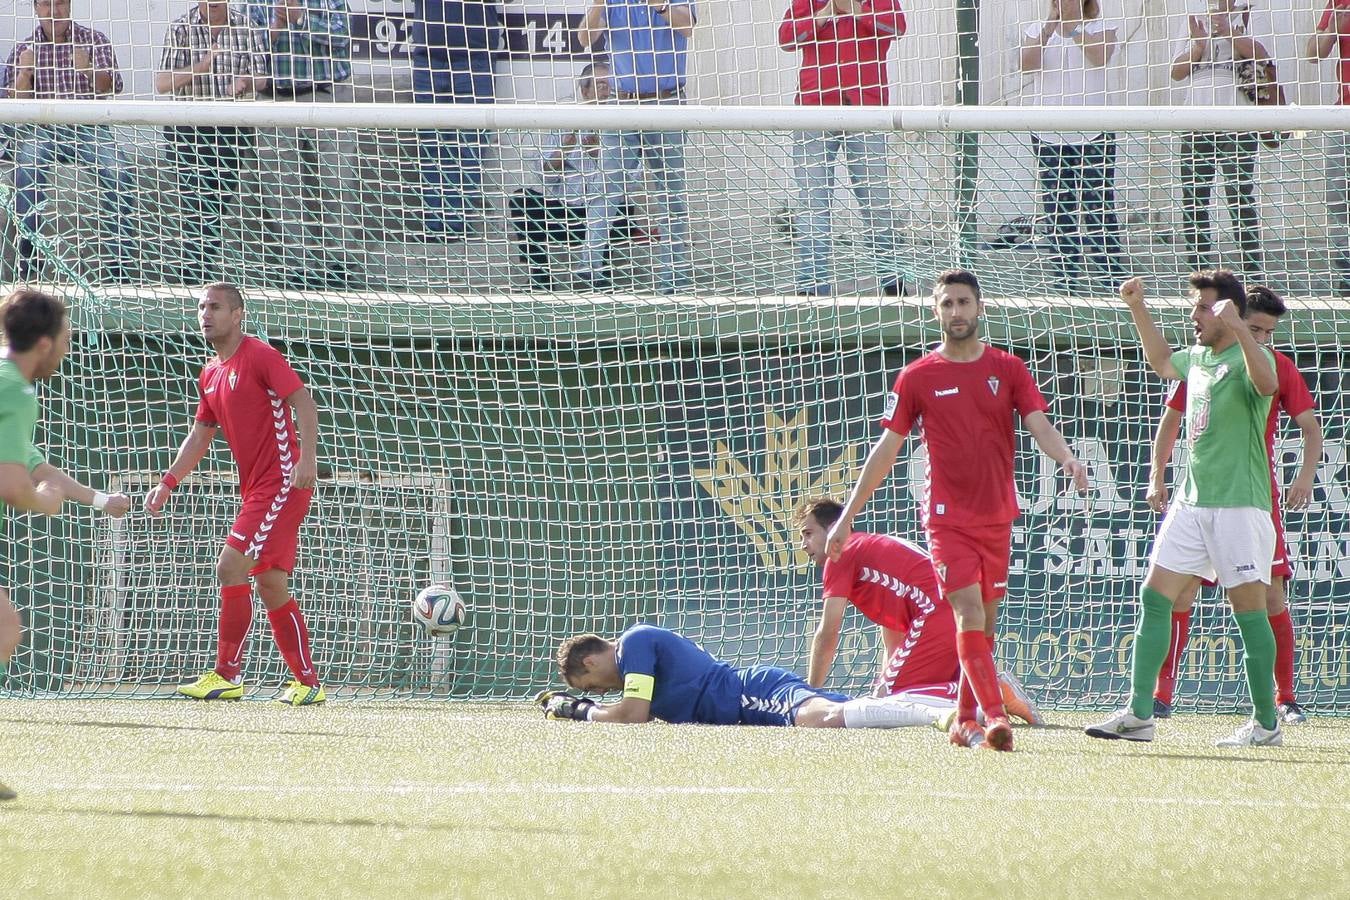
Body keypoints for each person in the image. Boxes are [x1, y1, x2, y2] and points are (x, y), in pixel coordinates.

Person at [824, 269, 1087, 751]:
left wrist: (1066, 456)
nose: (957, 312)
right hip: (946, 521)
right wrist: (846, 518)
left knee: (985, 627)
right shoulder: (918, 377)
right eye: (947, 304)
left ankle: (964, 718)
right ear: (935, 310)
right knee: (966, 613)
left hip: (997, 516)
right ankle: (991, 718)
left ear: (980, 307)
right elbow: (886, 450)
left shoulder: (1007, 369)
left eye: (964, 302)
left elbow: (1038, 423)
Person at [1087, 271, 1282, 747]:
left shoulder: (1251, 355)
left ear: (1225, 311)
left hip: (1240, 506)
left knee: (1249, 614)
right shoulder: (1197, 357)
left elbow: (1268, 382)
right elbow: (1159, 362)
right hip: (1191, 504)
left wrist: (1239, 327)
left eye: (1201, 308)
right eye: (1194, 307)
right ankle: (1139, 714)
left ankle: (1266, 724)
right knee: (1155, 597)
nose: (1193, 316)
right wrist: (1137, 306)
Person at [1147, 285, 1322, 724]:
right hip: (1200, 498)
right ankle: (1157, 695)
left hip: (1251, 499)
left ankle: (1282, 700)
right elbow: (1172, 417)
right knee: (1175, 591)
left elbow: (1310, 427)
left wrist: (1303, 477)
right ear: (1237, 320)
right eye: (1256, 328)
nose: (1263, 338)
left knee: (1268, 597)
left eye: (1268, 332)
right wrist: (1157, 475)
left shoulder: (1274, 366)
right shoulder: (1205, 363)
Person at [144, 283, 325, 706]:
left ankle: (227, 675)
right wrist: (167, 482)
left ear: (238, 314)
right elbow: (200, 435)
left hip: (281, 482)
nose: (206, 314)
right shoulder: (210, 372)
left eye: (216, 307)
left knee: (230, 568)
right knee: (271, 584)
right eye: (202, 307)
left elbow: (304, 403)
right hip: (258, 490)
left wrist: (308, 460)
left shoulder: (261, 355)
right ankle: (307, 683)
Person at [0, 289, 131, 801]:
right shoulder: (16, 391)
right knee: (6, 627)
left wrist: (97, 500)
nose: (70, 346)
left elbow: (35, 465)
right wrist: (44, 503)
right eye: (68, 336)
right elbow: (16, 485)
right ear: (49, 341)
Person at [795, 495, 1045, 725]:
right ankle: (984, 692)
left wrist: (810, 695)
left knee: (896, 698)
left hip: (939, 613)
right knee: (888, 697)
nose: (803, 544)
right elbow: (893, 633)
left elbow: (828, 632)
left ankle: (996, 689)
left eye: (808, 533)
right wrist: (883, 684)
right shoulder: (867, 550)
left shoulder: (841, 553)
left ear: (833, 529)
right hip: (953, 611)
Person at [541, 623, 950, 728]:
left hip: (750, 692)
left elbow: (632, 714)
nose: (602, 691)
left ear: (590, 663)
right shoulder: (636, 654)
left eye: (593, 686)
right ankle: (957, 702)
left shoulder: (634, 643)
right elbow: (635, 710)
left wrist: (581, 710)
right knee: (837, 713)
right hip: (750, 700)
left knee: (817, 719)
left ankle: (940, 711)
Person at [777, 0, 907, 297]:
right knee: (814, 204)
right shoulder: (808, 2)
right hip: (814, 111)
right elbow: (785, 39)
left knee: (877, 203)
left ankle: (892, 282)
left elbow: (897, 27)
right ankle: (812, 288)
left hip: (866, 110)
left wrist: (853, 9)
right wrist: (825, 13)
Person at [1, 0, 135, 283]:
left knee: (120, 170)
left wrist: (86, 68)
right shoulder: (24, 49)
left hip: (88, 129)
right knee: (26, 168)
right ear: (36, 8)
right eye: (46, 4)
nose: (54, 11)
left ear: (70, 6)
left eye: (60, 3)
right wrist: (25, 74)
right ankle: (29, 259)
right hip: (44, 130)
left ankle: (119, 264)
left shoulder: (94, 40)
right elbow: (13, 106)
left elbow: (113, 86)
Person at [578, 0, 695, 294]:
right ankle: (589, 273)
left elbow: (688, 27)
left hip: (667, 101)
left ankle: (673, 282)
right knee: (607, 190)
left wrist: (661, 5)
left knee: (672, 196)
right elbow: (584, 39)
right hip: (621, 102)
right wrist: (597, 6)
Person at [156, 1, 271, 284]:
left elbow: (263, 78)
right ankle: (195, 275)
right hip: (189, 127)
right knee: (196, 202)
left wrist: (245, 81)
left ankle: (197, 273)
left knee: (217, 203)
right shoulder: (180, 28)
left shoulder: (247, 26)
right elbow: (162, 82)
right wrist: (201, 67)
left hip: (232, 128)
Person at [1170, 0, 1283, 278]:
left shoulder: (1250, 12)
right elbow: (1175, 71)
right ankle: (1200, 273)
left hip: (1239, 121)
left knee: (1239, 194)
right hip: (1196, 122)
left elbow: (1262, 54)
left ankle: (1252, 274)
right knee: (1195, 198)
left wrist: (1227, 30)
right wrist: (1197, 46)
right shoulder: (1192, 17)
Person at [248, 0, 356, 288]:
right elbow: (246, 46)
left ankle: (339, 264)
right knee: (283, 189)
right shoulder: (254, 3)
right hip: (274, 98)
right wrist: (276, 26)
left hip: (326, 94)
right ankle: (299, 268)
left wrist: (301, 19)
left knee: (337, 181)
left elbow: (343, 36)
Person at [1018, 0, 1124, 294]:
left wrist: (1072, 27)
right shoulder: (1036, 30)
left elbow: (1099, 56)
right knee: (1058, 210)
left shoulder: (1102, 27)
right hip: (1049, 135)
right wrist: (1051, 26)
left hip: (1094, 134)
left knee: (1099, 206)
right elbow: (1026, 63)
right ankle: (1066, 280)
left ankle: (1112, 279)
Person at [507, 61, 637, 291]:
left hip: (608, 210)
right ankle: (540, 278)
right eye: (601, 85)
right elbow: (544, 176)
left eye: (611, 85)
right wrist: (563, 152)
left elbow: (633, 178)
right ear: (585, 91)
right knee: (521, 199)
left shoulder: (623, 127)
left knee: (616, 202)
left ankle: (596, 275)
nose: (607, 91)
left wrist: (600, 155)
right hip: (567, 210)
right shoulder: (565, 124)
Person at [411, 0, 500, 241]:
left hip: (475, 57)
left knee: (470, 145)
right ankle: (435, 226)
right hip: (428, 56)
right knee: (430, 143)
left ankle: (457, 224)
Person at [1308, 0, 1350, 294]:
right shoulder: (1340, 2)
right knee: (1338, 199)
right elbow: (1312, 54)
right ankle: (1346, 277)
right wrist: (1334, 26)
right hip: (1345, 114)